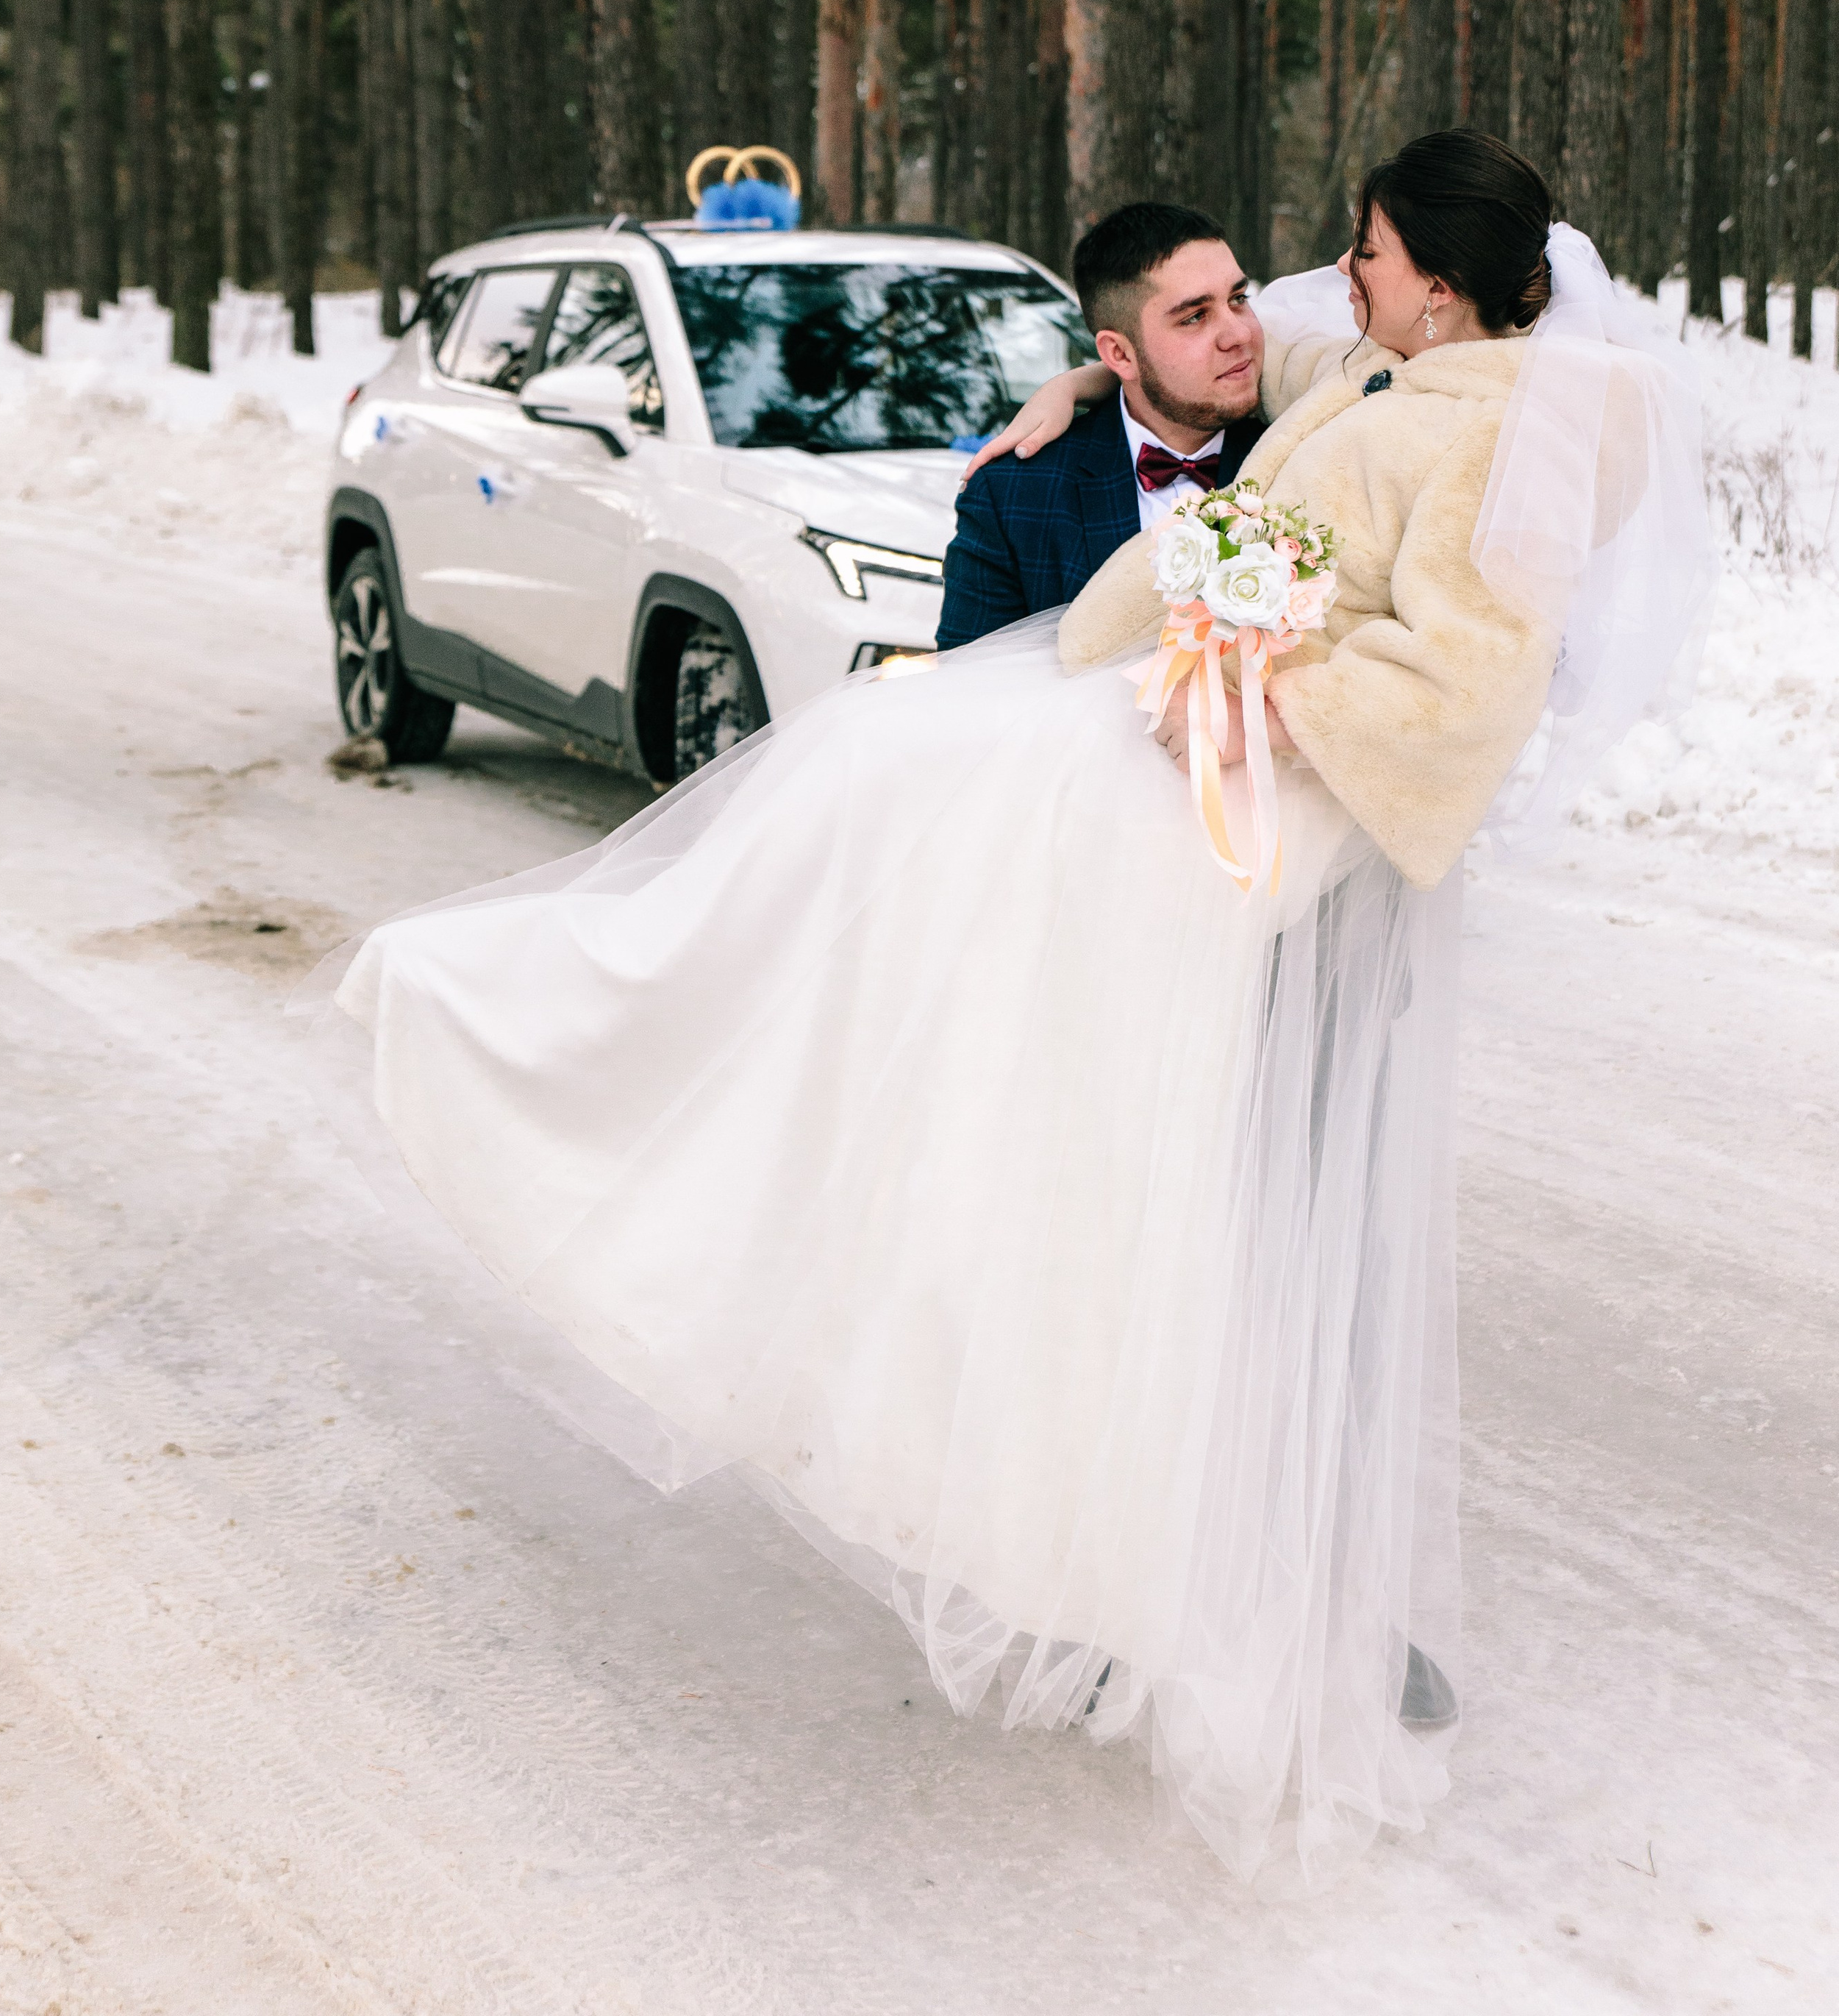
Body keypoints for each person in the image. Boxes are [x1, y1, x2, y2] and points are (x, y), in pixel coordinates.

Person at [326, 129, 1710, 1888]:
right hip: (1172, 795)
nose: (1327, 276)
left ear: (1434, 275)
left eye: (1362, 250)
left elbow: (1459, 684)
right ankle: (609, 1009)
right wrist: (1086, 375)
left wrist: (1260, 687)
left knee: (1282, 1238)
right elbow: (1253, 339)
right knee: (894, 798)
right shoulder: (1386, 356)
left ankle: (1298, 1595)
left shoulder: (1510, 429)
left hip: (1272, 857)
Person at [936, 201, 1268, 652]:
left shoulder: (1299, 450)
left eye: (1238, 300)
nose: (1239, 335)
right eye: (1195, 317)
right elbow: (966, 691)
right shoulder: (1013, 496)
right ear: (1119, 355)